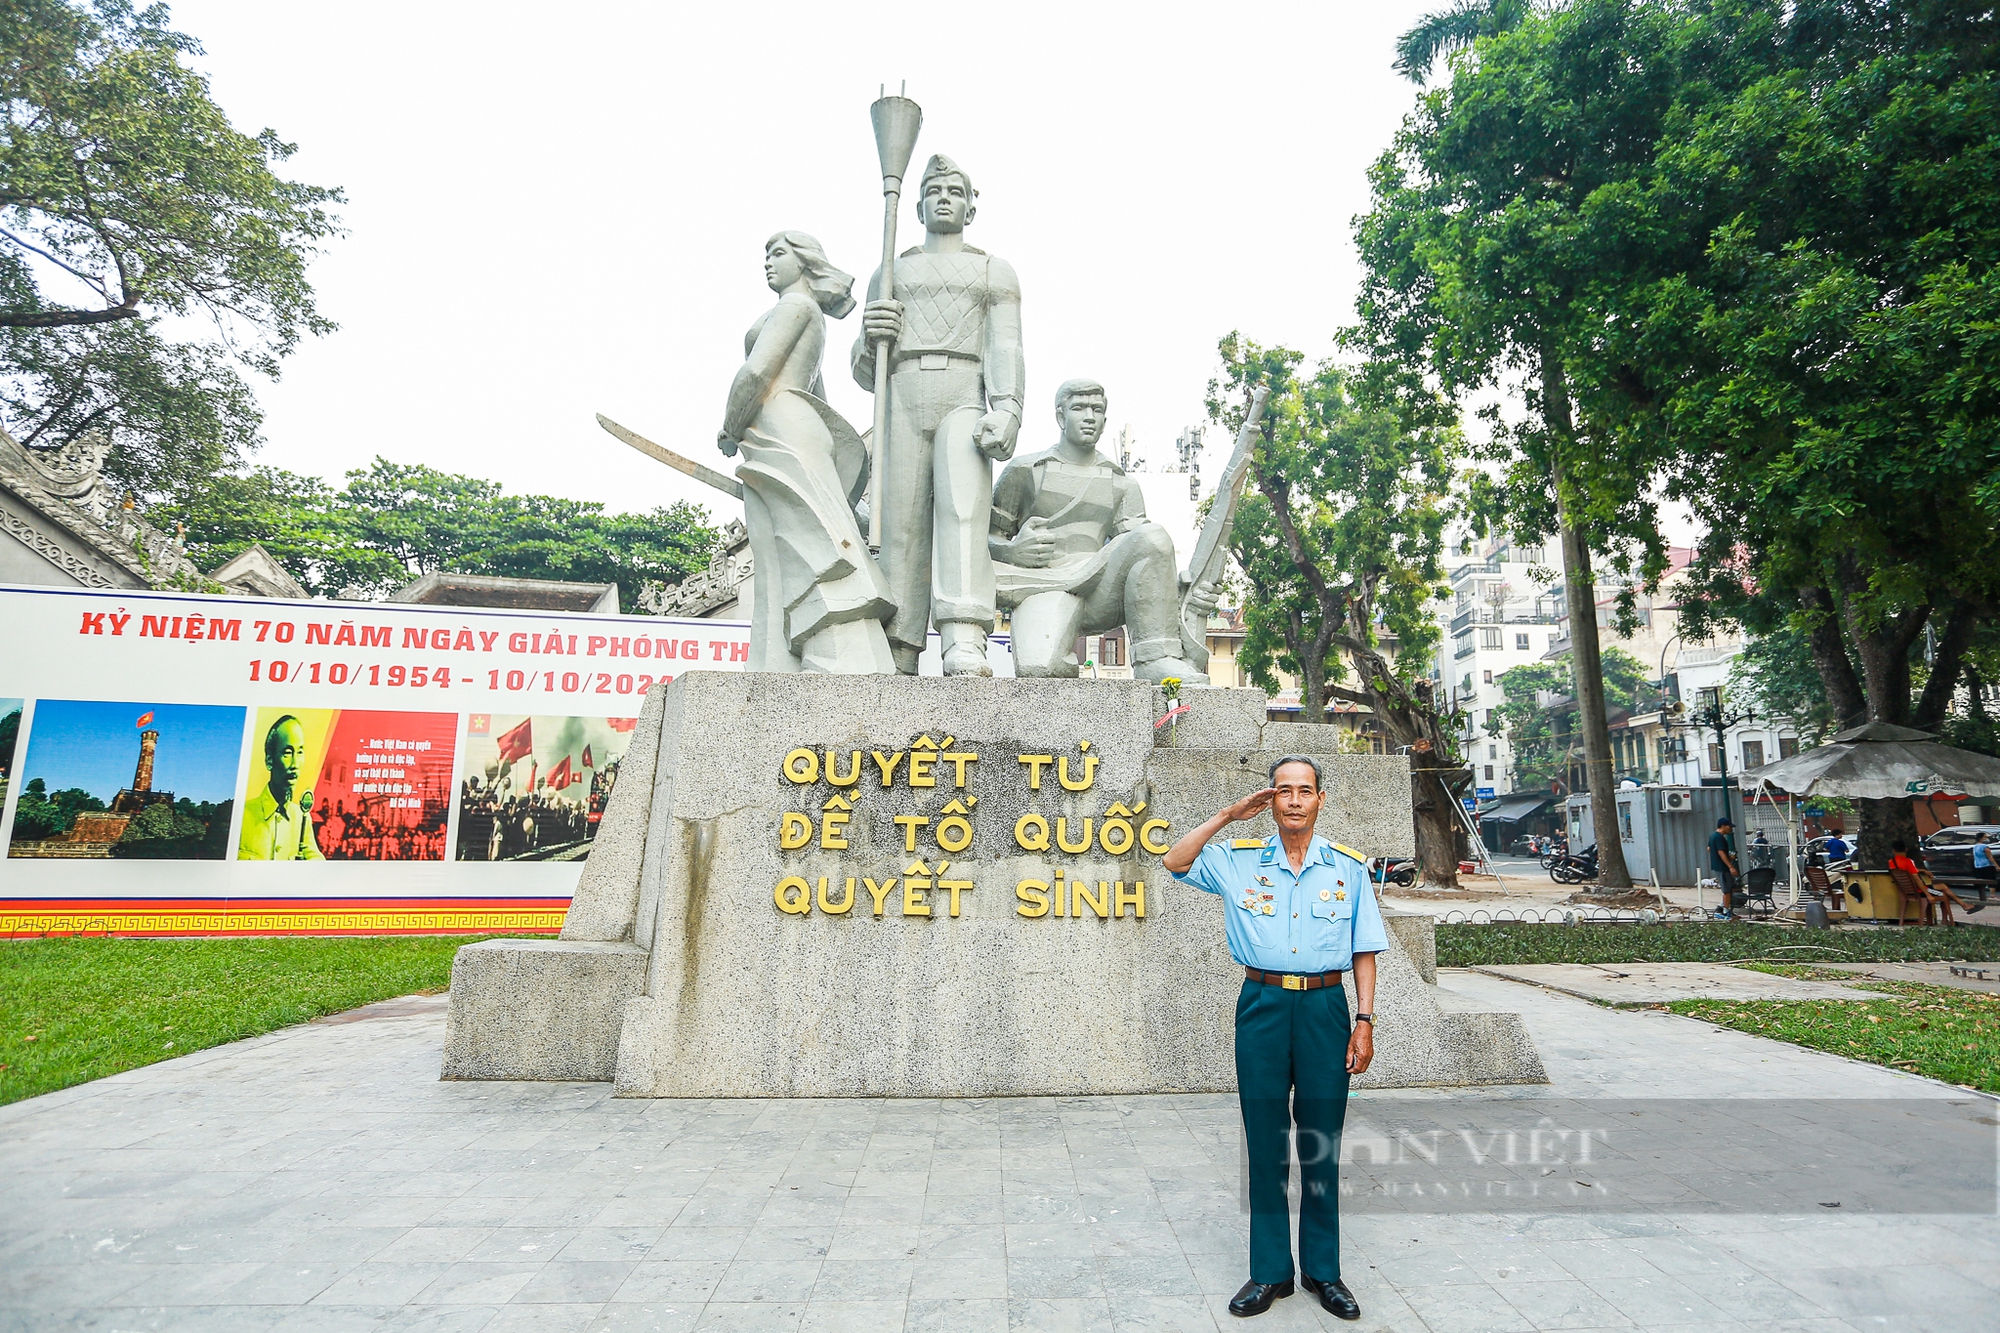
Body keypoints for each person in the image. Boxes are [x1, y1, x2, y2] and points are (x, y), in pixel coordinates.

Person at [1164, 756, 1384, 1321]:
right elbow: (1174, 860)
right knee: (1264, 1138)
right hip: (1261, 1005)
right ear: (1271, 798)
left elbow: (1363, 948)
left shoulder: (1348, 868)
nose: (1292, 800)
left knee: (1320, 1139)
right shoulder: (1236, 861)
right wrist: (1226, 815)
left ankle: (1323, 1270)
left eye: (1303, 791)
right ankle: (1270, 1273)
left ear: (1319, 799)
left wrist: (1365, 1020)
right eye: (1282, 790)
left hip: (1326, 1006)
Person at [853, 154, 1025, 676]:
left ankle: (964, 635)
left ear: (972, 207)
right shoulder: (891, 269)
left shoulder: (994, 270)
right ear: (919, 205)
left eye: (954, 189)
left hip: (963, 391)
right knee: (899, 523)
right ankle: (899, 641)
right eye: (933, 190)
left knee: (964, 511)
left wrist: (1009, 407)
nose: (943, 197)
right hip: (903, 392)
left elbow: (1006, 345)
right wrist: (871, 337)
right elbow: (865, 371)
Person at [720, 231, 896, 673]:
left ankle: (822, 651)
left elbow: (757, 372)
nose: (768, 262)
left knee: (804, 542)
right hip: (790, 424)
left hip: (779, 424)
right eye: (765, 254)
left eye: (778, 253)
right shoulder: (809, 313)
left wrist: (729, 426)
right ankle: (776, 658)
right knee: (780, 543)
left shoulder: (795, 307)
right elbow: (818, 395)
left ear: (805, 262)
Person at [989, 379, 1215, 682]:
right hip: (1041, 584)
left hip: (1099, 586)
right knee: (1038, 669)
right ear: (1060, 416)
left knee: (1153, 535)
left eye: (1096, 409)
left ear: (1105, 421)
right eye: (1079, 408)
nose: (1089, 417)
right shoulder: (1025, 471)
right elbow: (981, 539)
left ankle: (1155, 657)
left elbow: (1145, 554)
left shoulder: (1121, 482)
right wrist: (1012, 550)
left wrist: (1185, 591)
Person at [237, 715, 325, 861]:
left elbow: (318, 864)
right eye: (288, 753)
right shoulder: (242, 815)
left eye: (300, 752)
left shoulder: (301, 818)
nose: (295, 764)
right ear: (269, 760)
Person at [1708, 816, 1739, 919]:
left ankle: (1722, 906)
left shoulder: (1712, 836)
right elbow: (1720, 852)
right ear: (1723, 826)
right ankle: (1725, 911)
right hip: (1723, 867)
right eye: (1729, 826)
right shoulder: (1719, 838)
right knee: (1727, 890)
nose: (1730, 828)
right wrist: (1730, 866)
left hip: (1718, 865)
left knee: (1731, 888)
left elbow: (1709, 849)